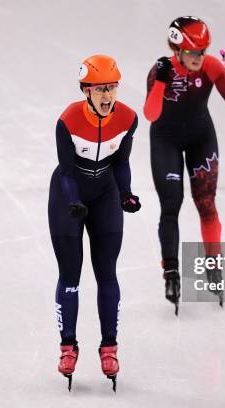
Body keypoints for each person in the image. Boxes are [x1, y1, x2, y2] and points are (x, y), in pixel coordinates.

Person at [48, 54, 140, 391]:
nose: (108, 95)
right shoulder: (69, 120)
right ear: (86, 90)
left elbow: (122, 163)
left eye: (112, 87)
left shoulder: (128, 118)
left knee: (107, 274)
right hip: (68, 195)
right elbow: (67, 170)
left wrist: (127, 193)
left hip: (105, 195)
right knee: (70, 277)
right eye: (101, 88)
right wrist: (72, 200)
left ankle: (109, 346)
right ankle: (68, 346)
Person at [144, 16, 225, 313]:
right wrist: (161, 81)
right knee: (171, 204)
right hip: (166, 139)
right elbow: (151, 114)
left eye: (203, 51)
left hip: (201, 136)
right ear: (177, 50)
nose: (200, 58)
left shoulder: (211, 66)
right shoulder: (160, 69)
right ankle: (171, 271)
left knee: (206, 203)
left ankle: (214, 264)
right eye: (193, 53)